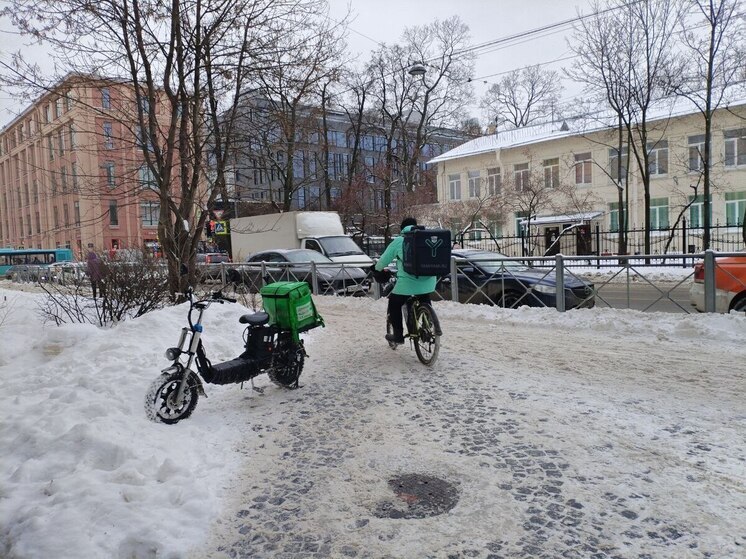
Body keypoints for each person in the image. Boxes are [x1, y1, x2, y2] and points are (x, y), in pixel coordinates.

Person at [373, 217, 441, 345]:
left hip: (408, 284)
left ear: (402, 229)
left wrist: (376, 268)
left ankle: (398, 335)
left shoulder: (399, 241)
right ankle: (428, 321)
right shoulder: (426, 238)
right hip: (429, 281)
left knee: (394, 304)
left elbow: (383, 261)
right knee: (423, 296)